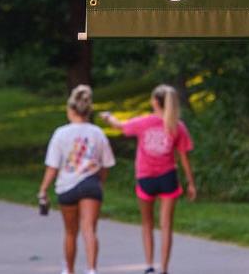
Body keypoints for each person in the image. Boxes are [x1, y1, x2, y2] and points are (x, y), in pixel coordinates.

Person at [101, 84, 196, 274]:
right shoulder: (177, 126)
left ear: (154, 102)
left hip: (145, 178)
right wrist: (191, 182)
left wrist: (108, 117)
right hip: (168, 177)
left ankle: (149, 264)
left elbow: (120, 126)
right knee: (166, 225)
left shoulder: (143, 123)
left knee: (147, 223)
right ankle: (164, 268)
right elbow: (184, 156)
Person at [38, 84, 115, 274]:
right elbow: (106, 164)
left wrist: (43, 189)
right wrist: (100, 182)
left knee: (70, 232)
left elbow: (53, 167)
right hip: (91, 184)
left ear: (70, 109)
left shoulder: (60, 134)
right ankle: (91, 269)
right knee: (89, 229)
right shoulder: (97, 133)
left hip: (67, 186)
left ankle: (69, 269)